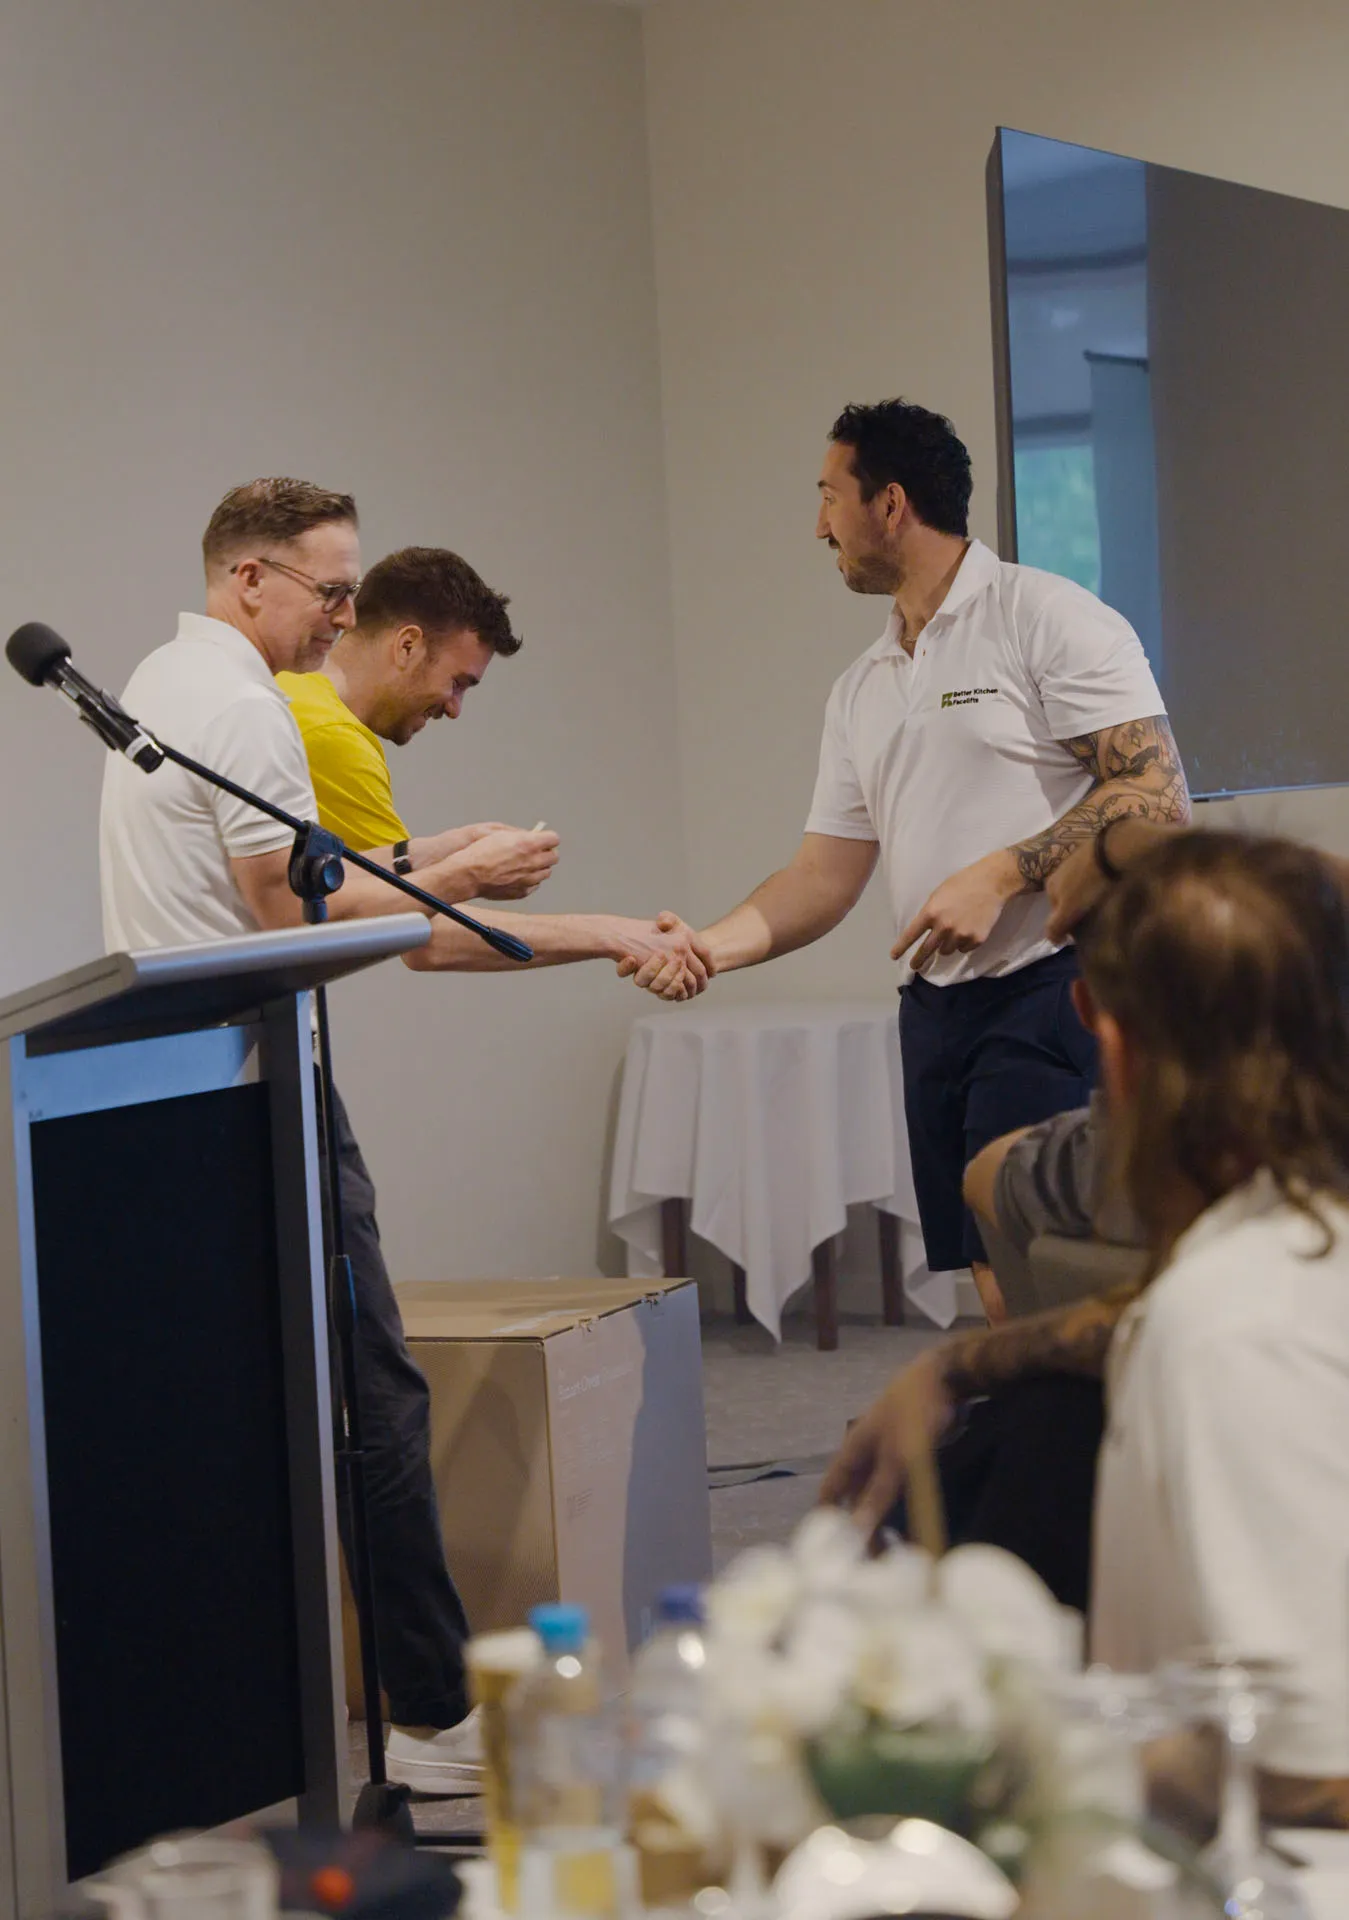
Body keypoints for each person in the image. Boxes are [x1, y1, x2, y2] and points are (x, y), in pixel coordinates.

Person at [99, 479, 557, 1792]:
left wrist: (430, 855)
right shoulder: (247, 708)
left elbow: (296, 879)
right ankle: (432, 1715)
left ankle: (248, 1710)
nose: (343, 615)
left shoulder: (162, 683)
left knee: (268, 1408)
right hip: (255, 1087)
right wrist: (456, 880)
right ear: (249, 578)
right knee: (376, 1397)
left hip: (177, 1093)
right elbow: (282, 910)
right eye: (330, 589)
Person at [823, 829, 1349, 1829]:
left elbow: (1303, 1769)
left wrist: (1047, 1754)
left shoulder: (1233, 1328)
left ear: (1105, 1037)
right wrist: (962, 1361)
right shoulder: (1267, 1273)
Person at [624, 398, 1190, 1321]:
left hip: (1052, 983)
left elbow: (1157, 793)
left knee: (1050, 1272)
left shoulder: (1044, 616)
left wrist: (1002, 873)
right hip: (935, 1010)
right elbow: (822, 877)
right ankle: (1025, 1414)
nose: (818, 526)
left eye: (828, 496)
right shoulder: (863, 686)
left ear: (888, 505)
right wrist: (705, 948)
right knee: (989, 1277)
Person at [277, 545, 710, 987]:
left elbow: (360, 883)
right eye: (457, 683)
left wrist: (447, 849)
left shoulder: (288, 688)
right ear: (407, 645)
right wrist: (614, 935)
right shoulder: (332, 736)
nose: (455, 708)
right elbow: (422, 933)